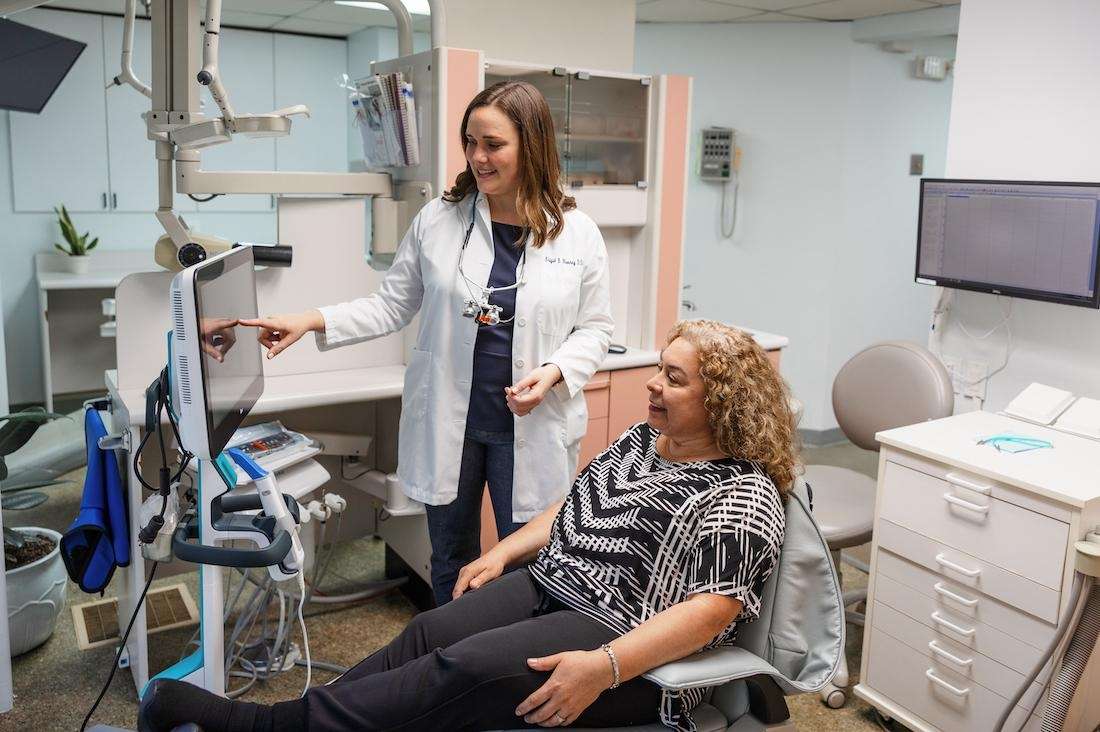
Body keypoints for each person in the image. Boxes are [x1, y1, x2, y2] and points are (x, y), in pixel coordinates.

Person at [139, 320, 798, 732]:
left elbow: (711, 613)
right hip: (554, 584)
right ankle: (308, 723)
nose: (652, 384)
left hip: (621, 635)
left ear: (720, 401)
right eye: (659, 370)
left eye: (672, 378)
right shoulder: (646, 441)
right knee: (427, 631)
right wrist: (502, 553)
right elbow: (577, 506)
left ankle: (265, 727)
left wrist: (605, 667)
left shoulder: (743, 496)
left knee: (462, 670)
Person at [239, 81, 614, 605]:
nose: (477, 157)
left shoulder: (576, 232)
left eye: (493, 144)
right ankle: (446, 649)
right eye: (470, 142)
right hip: (451, 424)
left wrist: (554, 372)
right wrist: (312, 320)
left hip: (530, 424)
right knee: (451, 556)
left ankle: (507, 653)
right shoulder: (439, 219)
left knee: (529, 562)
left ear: (531, 146)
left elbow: (595, 328)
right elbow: (391, 305)